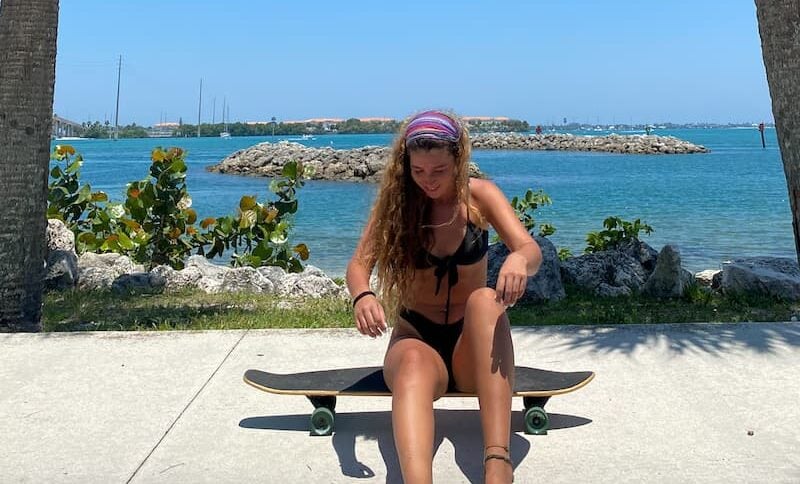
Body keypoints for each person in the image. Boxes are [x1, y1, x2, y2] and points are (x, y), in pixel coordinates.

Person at [346, 110, 542, 484]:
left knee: (484, 300)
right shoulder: (395, 205)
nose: (428, 181)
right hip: (416, 340)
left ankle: (497, 462)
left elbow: (530, 250)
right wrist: (362, 295)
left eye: (438, 170)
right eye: (418, 171)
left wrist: (518, 258)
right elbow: (358, 265)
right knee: (415, 363)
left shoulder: (479, 196)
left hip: (473, 348)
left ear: (458, 158)